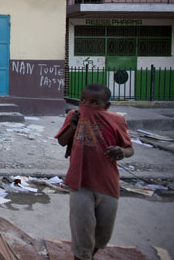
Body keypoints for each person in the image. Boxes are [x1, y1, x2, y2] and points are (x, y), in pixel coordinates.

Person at [55, 83, 134, 260]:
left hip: (107, 183)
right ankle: (82, 256)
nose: (88, 106)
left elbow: (129, 149)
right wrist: (73, 127)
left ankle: (90, 255)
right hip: (80, 182)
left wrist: (121, 152)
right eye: (84, 101)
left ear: (106, 106)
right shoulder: (74, 116)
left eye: (94, 102)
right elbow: (61, 141)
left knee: (102, 234)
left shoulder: (117, 121)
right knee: (82, 230)